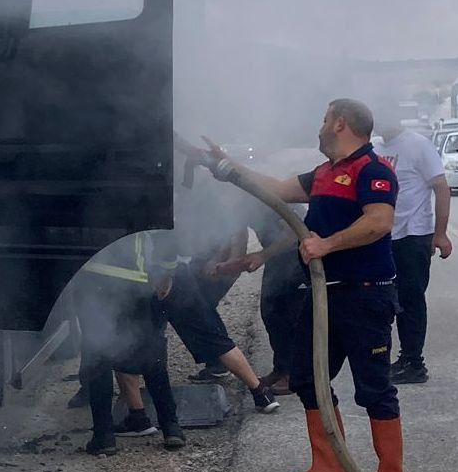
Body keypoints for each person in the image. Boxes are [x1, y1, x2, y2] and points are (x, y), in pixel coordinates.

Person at [208, 98, 404, 472]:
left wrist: (327, 245)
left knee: (374, 387)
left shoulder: (373, 169)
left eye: (323, 118)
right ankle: (329, 470)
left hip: (365, 295)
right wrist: (230, 168)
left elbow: (379, 222)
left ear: (340, 124)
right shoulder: (324, 174)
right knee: (307, 378)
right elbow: (277, 190)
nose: (319, 126)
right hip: (321, 296)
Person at [153, 181, 281, 413]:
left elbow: (235, 234)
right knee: (207, 324)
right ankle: (259, 390)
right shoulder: (206, 202)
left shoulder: (221, 203)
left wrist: (224, 265)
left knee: (200, 325)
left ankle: (142, 414)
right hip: (185, 272)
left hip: (177, 276)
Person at [73, 232, 186, 455]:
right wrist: (167, 269)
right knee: (151, 354)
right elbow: (163, 230)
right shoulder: (138, 195)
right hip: (133, 280)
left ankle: (104, 437)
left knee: (98, 359)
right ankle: (171, 427)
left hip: (91, 277)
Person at [375, 111, 453, 384]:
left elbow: (442, 188)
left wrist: (441, 234)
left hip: (413, 236)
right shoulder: (373, 147)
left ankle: (413, 362)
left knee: (410, 301)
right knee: (382, 300)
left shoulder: (418, 144)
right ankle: (385, 357)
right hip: (381, 237)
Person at [214, 202, 307, 396]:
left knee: (294, 317)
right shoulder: (240, 203)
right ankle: (281, 369)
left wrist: (262, 255)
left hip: (299, 257)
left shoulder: (269, 198)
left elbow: (292, 233)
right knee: (271, 313)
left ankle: (295, 375)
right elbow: (240, 235)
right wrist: (229, 264)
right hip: (276, 259)